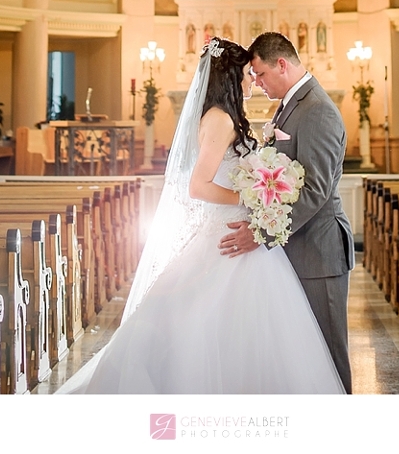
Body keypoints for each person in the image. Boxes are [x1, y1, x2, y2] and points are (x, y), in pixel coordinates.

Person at [57, 37, 344, 394]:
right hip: (230, 234)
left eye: (257, 73)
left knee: (239, 330)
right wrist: (249, 197)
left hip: (245, 234)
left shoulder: (236, 116)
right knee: (214, 328)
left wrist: (259, 201)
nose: (253, 80)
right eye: (247, 74)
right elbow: (198, 185)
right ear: (230, 78)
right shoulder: (221, 120)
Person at [220, 31, 354, 393]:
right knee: (305, 354)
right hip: (297, 246)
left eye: (260, 74)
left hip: (318, 253)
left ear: (281, 63)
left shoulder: (317, 110)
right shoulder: (293, 104)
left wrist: (260, 233)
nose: (256, 82)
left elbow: (315, 191)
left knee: (328, 353)